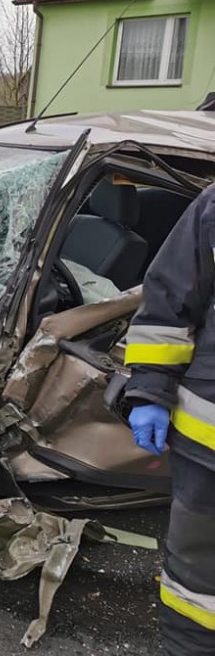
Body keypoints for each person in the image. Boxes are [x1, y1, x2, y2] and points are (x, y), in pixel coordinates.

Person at [124, 184, 215, 655]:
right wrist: (149, 391)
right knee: (196, 587)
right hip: (208, 455)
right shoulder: (212, 206)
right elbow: (168, 305)